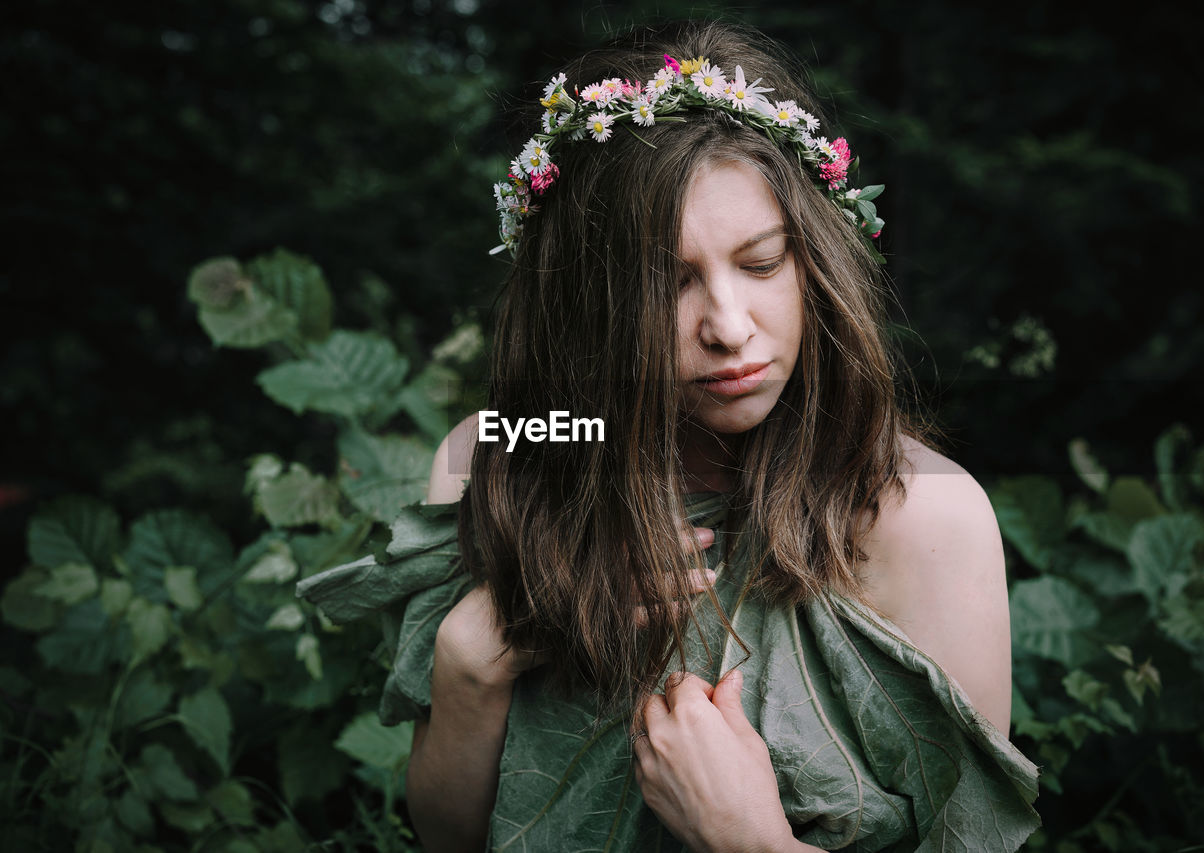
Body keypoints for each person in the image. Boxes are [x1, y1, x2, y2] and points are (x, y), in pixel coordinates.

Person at [299, 19, 1039, 852]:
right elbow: (448, 838)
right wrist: (469, 662)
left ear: (816, 266)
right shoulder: (496, 455)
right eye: (665, 284)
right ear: (584, 304)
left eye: (761, 265)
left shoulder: (925, 515)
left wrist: (751, 842)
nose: (728, 327)